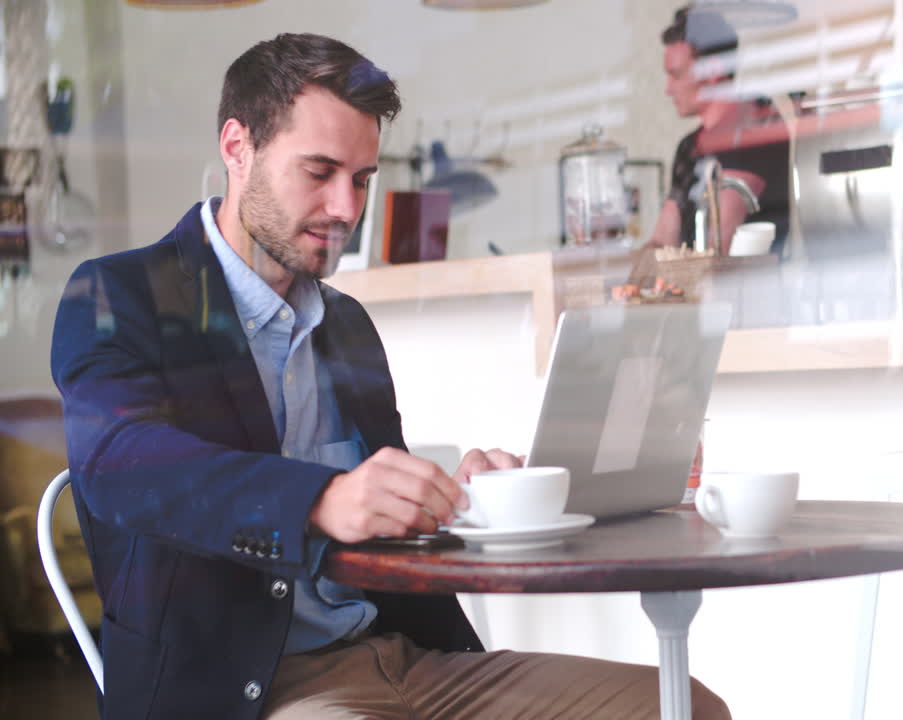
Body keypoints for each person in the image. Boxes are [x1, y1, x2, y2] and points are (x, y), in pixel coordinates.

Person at [50, 33, 729, 720]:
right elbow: (119, 468)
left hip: (407, 657)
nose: (347, 209)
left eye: (363, 179)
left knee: (685, 708)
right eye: (319, 172)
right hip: (247, 691)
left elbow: (380, 519)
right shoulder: (122, 295)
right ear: (237, 148)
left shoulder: (345, 324)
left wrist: (461, 500)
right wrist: (320, 500)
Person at [648, 6, 791, 256]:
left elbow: (721, 246)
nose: (668, 90)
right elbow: (662, 240)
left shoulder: (753, 126)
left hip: (741, 290)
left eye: (676, 75)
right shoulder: (690, 146)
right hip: (693, 287)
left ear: (712, 69)